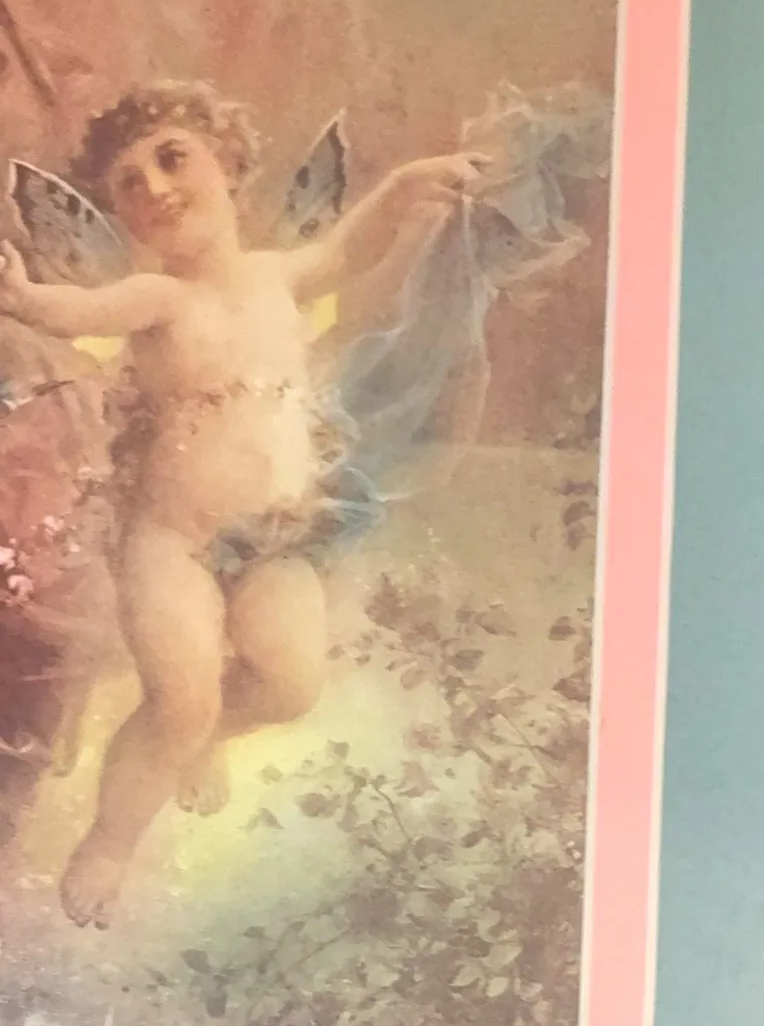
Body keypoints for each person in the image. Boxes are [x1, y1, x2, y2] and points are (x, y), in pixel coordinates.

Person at [0, 81, 486, 927]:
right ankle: (111, 839)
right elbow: (75, 308)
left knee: (292, 685)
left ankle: (207, 740)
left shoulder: (275, 275)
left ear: (227, 165)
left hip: (275, 538)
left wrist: (405, 184)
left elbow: (346, 249)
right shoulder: (156, 298)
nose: (154, 187)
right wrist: (22, 296)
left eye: (172, 159)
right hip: (173, 543)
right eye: (128, 182)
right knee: (179, 699)